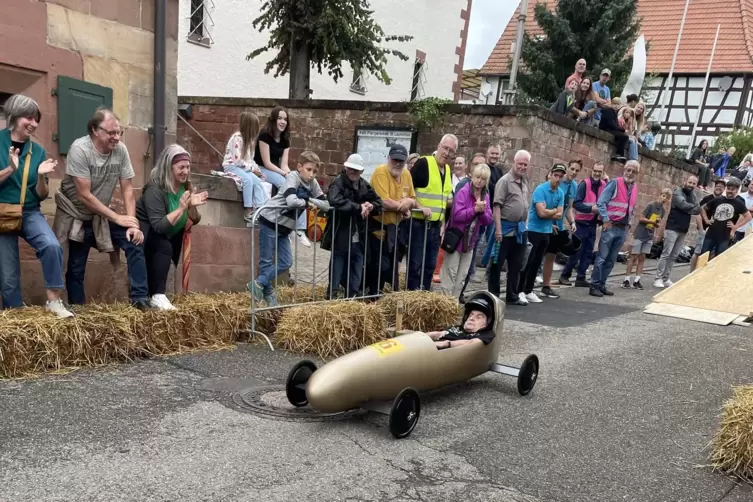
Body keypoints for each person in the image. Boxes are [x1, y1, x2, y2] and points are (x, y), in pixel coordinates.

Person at [53, 107, 150, 309]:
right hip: (77, 215)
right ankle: (78, 310)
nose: (116, 137)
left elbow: (128, 189)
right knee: (75, 267)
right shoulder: (80, 149)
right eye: (111, 132)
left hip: (102, 215)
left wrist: (132, 223)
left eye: (119, 132)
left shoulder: (120, 150)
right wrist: (117, 217)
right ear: (95, 131)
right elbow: (84, 195)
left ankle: (140, 300)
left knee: (135, 240)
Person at [0, 94, 72, 317]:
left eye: (36, 119)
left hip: (29, 211)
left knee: (52, 246)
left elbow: (41, 195)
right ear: (14, 116)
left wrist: (41, 177)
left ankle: (53, 302)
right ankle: (15, 318)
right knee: (9, 277)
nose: (33, 124)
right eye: (28, 118)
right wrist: (10, 169)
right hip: (2, 212)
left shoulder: (38, 151)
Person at [250, 151, 330, 306]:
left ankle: (258, 283)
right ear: (300, 167)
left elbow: (325, 205)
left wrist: (311, 200)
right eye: (308, 169)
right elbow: (291, 200)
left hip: (285, 227)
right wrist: (308, 203)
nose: (312, 174)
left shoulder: (312, 184)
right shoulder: (293, 177)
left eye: (315, 171)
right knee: (266, 261)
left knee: (286, 262)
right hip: (271, 219)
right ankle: (269, 297)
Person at [136, 145, 208, 310]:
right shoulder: (155, 189)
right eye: (181, 167)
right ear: (169, 167)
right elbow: (159, 226)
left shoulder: (186, 186)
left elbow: (194, 219)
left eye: (188, 167)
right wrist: (181, 208)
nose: (185, 171)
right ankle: (157, 296)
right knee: (163, 245)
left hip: (170, 238)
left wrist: (192, 206)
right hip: (147, 237)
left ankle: (158, 296)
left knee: (166, 248)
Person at [365, 145, 425, 296]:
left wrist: (408, 204)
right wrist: (403, 207)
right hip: (377, 226)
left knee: (391, 265)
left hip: (395, 228)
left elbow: (412, 198)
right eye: (395, 160)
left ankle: (379, 294)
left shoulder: (406, 174)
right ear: (389, 158)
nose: (398, 163)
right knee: (378, 265)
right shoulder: (380, 172)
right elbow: (383, 201)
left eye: (401, 161)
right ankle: (371, 295)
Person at [322, 153, 382, 299]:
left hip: (358, 233)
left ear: (361, 171)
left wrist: (371, 206)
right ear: (346, 167)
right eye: (351, 169)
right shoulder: (338, 182)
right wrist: (359, 207)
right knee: (338, 264)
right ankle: (332, 295)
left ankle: (352, 295)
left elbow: (379, 201)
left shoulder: (363, 184)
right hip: (341, 232)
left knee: (357, 264)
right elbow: (334, 200)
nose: (353, 172)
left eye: (356, 170)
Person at [254, 106, 310, 247]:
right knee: (284, 184)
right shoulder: (265, 135)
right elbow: (266, 163)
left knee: (298, 185)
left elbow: (284, 164)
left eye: (285, 119)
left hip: (277, 169)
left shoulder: (286, 138)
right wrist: (285, 174)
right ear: (273, 120)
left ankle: (300, 229)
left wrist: (292, 174)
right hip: (261, 169)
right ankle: (281, 221)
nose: (282, 122)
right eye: (279, 118)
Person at [408, 134, 456, 290]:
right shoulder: (424, 163)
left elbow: (445, 198)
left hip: (435, 226)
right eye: (445, 148)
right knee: (416, 264)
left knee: (430, 265)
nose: (447, 153)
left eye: (451, 151)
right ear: (438, 146)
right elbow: (408, 190)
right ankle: (412, 296)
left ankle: (425, 295)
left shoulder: (448, 170)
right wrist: (420, 206)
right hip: (419, 223)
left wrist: (443, 223)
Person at [439, 163, 492, 299]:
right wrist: (474, 210)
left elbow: (488, 220)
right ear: (472, 176)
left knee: (462, 275)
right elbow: (457, 215)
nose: (480, 181)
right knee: (450, 272)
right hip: (457, 238)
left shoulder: (485, 195)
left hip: (470, 241)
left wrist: (481, 212)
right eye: (477, 177)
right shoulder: (464, 191)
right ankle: (446, 302)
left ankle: (454, 303)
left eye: (483, 178)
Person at [589, 160, 641, 297]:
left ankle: (602, 284)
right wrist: (605, 219)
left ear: (637, 173)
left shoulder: (634, 188)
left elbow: (633, 207)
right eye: (628, 170)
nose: (630, 173)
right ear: (624, 169)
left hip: (622, 228)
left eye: (633, 171)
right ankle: (594, 285)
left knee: (611, 260)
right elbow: (601, 202)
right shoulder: (615, 183)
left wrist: (630, 222)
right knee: (601, 258)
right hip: (611, 226)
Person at [488, 150, 530, 305]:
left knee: (516, 264)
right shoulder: (504, 181)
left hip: (520, 230)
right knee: (497, 263)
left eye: (525, 164)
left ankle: (512, 295)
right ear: (514, 162)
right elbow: (497, 206)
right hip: (505, 229)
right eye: (520, 163)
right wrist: (498, 229)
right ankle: (494, 295)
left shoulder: (525, 181)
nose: (522, 167)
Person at [519, 164, 565, 303]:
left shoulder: (560, 193)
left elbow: (560, 214)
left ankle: (529, 290)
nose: (557, 179)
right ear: (550, 174)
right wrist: (552, 211)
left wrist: (548, 212)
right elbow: (540, 213)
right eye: (556, 175)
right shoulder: (541, 189)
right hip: (534, 230)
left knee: (537, 263)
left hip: (546, 231)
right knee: (528, 262)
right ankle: (520, 290)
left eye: (560, 176)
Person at [559, 162, 606, 287]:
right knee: (576, 251)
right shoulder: (585, 184)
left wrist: (601, 219)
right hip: (581, 222)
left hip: (592, 223)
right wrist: (591, 210)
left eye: (599, 172)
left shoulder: (603, 185)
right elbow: (576, 203)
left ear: (602, 173)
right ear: (592, 170)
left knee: (588, 252)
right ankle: (565, 275)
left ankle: (581, 277)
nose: (597, 173)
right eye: (595, 170)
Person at [540, 160, 580, 299]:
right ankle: (528, 284)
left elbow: (568, 208)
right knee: (537, 255)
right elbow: (545, 206)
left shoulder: (573, 186)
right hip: (545, 224)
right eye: (572, 168)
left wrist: (572, 222)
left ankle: (546, 286)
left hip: (559, 225)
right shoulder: (553, 183)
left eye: (577, 170)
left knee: (551, 256)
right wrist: (549, 222)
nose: (574, 172)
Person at [651, 177, 700, 289]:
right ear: (685, 182)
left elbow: (697, 210)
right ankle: (658, 278)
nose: (691, 185)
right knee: (666, 253)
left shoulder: (693, 195)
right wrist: (691, 207)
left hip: (683, 229)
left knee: (674, 255)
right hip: (672, 227)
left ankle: (665, 278)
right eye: (690, 182)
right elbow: (682, 205)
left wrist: (689, 207)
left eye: (694, 183)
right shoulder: (678, 191)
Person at [221, 112, 267, 225]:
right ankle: (248, 211)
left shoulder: (249, 142)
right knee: (248, 180)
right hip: (231, 166)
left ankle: (260, 211)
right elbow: (237, 160)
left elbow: (249, 160)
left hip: (243, 167)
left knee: (257, 182)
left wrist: (257, 170)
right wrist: (252, 169)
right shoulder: (237, 138)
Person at [622, 188, 671, 290]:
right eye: (663, 196)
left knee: (642, 257)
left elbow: (657, 225)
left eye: (666, 197)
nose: (664, 199)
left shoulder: (662, 211)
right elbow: (641, 218)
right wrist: (652, 222)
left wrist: (656, 224)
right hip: (640, 233)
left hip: (649, 235)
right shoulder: (651, 205)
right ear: (660, 195)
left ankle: (637, 280)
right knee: (634, 256)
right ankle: (626, 279)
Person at [700, 178, 751, 258]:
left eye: (732, 189)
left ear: (737, 190)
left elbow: (748, 216)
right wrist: (706, 220)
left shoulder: (739, 203)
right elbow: (703, 208)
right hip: (711, 233)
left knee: (718, 258)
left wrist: (735, 227)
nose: (730, 191)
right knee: (702, 257)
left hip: (725, 236)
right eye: (728, 188)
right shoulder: (717, 200)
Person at [425, 295, 495, 349]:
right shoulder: (457, 328)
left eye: (478, 317)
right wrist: (420, 337)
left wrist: (446, 344)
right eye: (471, 315)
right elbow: (438, 334)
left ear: (486, 323)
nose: (472, 318)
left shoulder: (486, 334)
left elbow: (472, 343)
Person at [690, 179, 725, 271]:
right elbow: (698, 213)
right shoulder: (707, 199)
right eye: (717, 186)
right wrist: (701, 230)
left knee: (710, 254)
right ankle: (691, 273)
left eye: (721, 187)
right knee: (698, 252)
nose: (719, 188)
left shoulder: (723, 201)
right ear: (714, 187)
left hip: (715, 232)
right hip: (704, 230)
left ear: (724, 189)